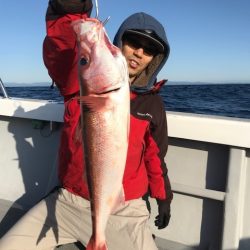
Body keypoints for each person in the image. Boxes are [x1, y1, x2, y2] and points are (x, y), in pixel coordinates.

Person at [0, 0, 173, 249]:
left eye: (148, 50)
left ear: (154, 60)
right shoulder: (77, 87)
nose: (138, 52)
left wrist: (163, 196)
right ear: (120, 42)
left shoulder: (152, 105)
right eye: (133, 43)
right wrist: (68, 8)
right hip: (69, 200)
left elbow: (155, 156)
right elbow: (61, 46)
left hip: (124, 209)